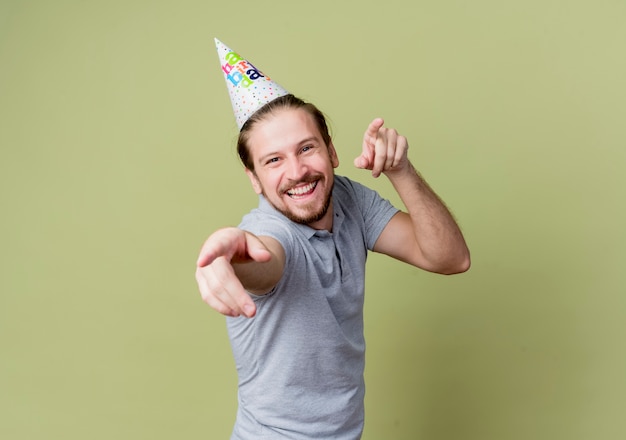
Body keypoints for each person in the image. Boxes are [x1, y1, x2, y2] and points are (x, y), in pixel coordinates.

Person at [197, 40, 470, 439]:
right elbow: (263, 259)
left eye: (306, 148)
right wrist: (231, 251)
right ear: (254, 178)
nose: (297, 172)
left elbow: (450, 258)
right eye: (273, 160)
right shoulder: (270, 234)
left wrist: (401, 171)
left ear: (331, 150)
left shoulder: (350, 199)